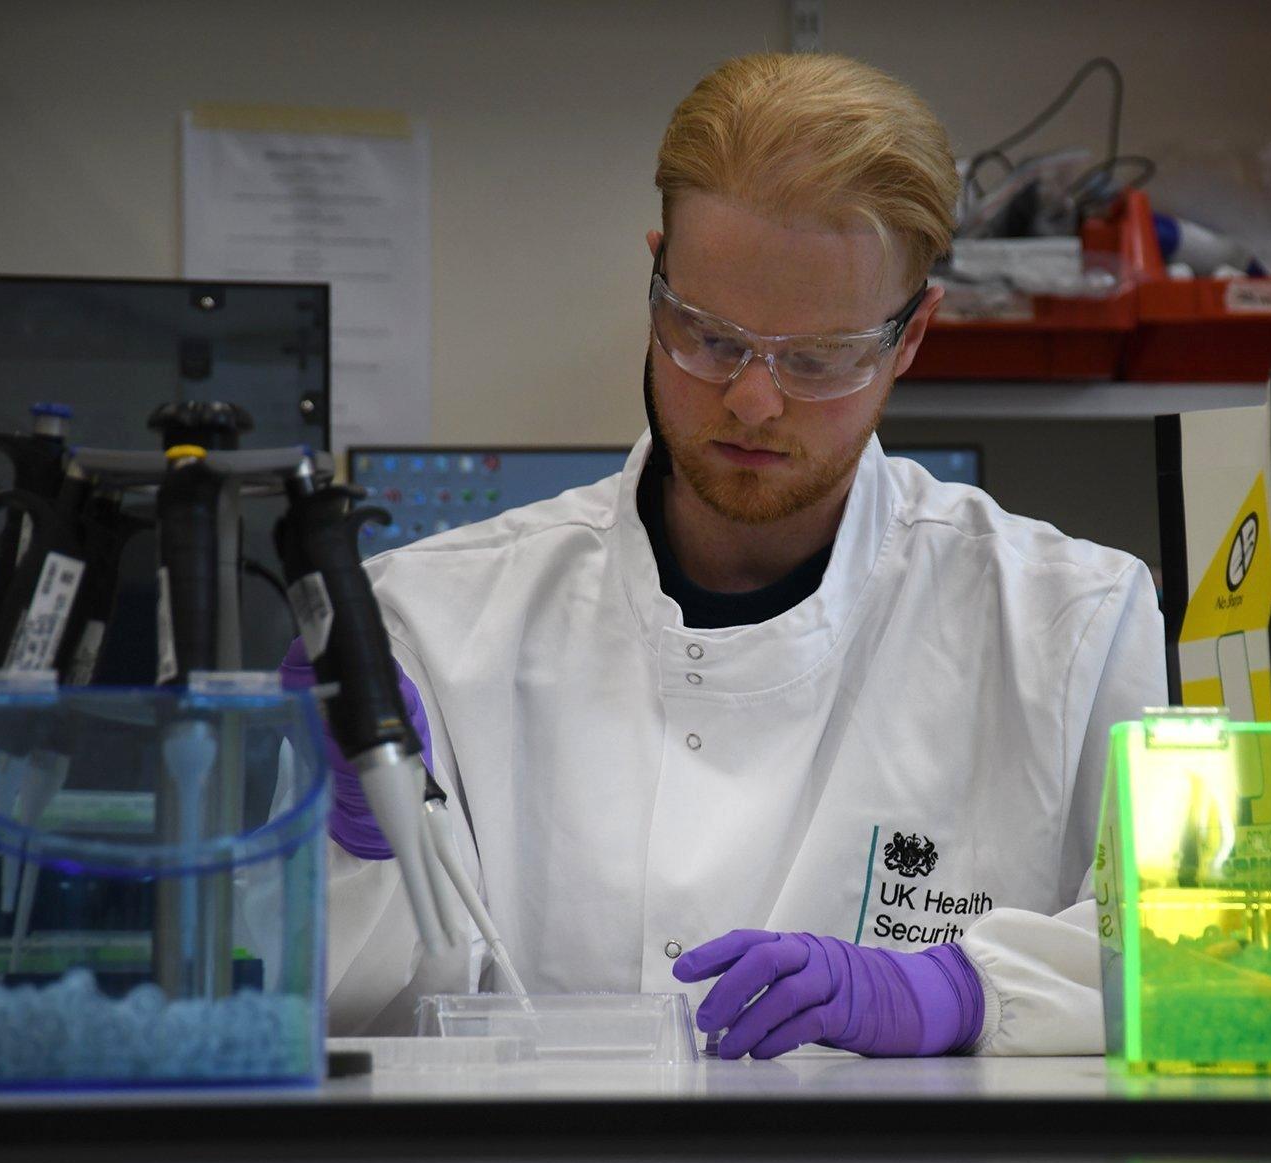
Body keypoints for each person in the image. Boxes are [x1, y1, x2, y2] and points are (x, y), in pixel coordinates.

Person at [301, 51, 1165, 1057]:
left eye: (818, 358)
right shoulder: (430, 625)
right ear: (657, 279)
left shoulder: (1070, 625)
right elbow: (334, 1022)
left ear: (913, 335)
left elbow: (1204, 951)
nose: (754, 400)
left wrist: (971, 992)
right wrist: (357, 849)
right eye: (708, 337)